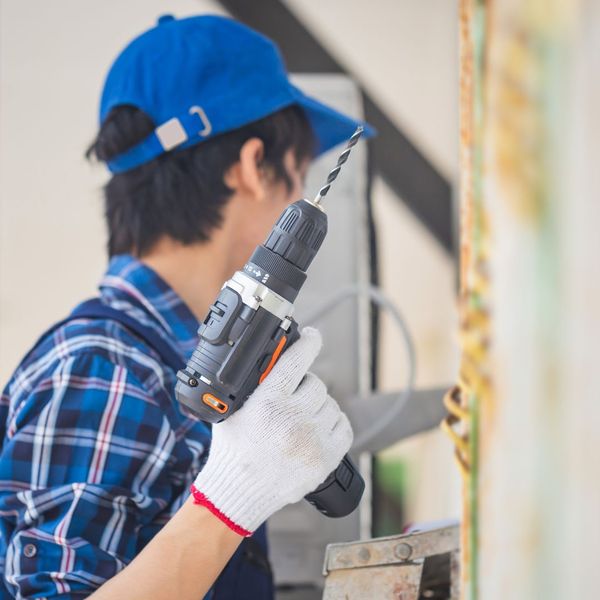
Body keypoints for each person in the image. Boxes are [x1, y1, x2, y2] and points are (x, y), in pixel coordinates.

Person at [0, 14, 372, 599]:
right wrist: (228, 499)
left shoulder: (175, 363)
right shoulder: (105, 368)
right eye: (300, 172)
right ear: (254, 166)